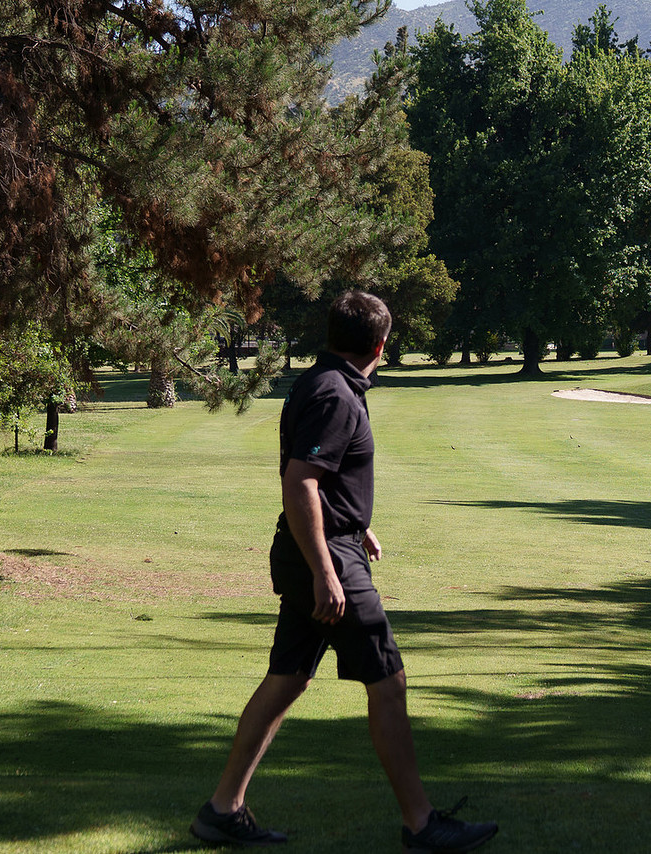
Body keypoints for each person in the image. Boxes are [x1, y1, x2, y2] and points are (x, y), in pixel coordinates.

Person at [191, 291, 498, 852]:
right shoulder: (336, 394)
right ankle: (422, 824)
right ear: (380, 346)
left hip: (325, 545)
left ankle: (222, 810)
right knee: (388, 679)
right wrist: (327, 569)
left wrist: (356, 525)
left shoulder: (322, 382)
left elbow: (323, 481)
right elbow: (300, 482)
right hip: (324, 558)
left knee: (288, 677)